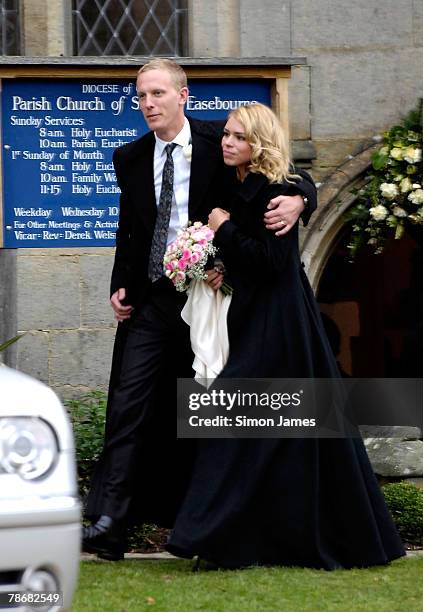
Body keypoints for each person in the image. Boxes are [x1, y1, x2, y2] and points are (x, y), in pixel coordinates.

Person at [82, 59, 318, 560]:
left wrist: (303, 199)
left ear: (184, 96)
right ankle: (109, 523)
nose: (148, 104)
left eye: (158, 94)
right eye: (141, 95)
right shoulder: (129, 156)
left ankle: (205, 525)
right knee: (129, 404)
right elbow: (131, 228)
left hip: (209, 300)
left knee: (206, 410)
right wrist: (120, 283)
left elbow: (281, 169)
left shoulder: (221, 140)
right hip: (151, 298)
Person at [165, 103, 405, 569]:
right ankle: (242, 543)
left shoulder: (275, 192)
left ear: (258, 144)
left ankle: (206, 536)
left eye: (237, 137)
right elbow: (251, 259)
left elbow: (272, 263)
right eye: (227, 135)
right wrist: (219, 265)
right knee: (283, 433)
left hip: (279, 323)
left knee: (236, 421)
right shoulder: (243, 181)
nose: (227, 142)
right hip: (257, 316)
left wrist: (224, 230)